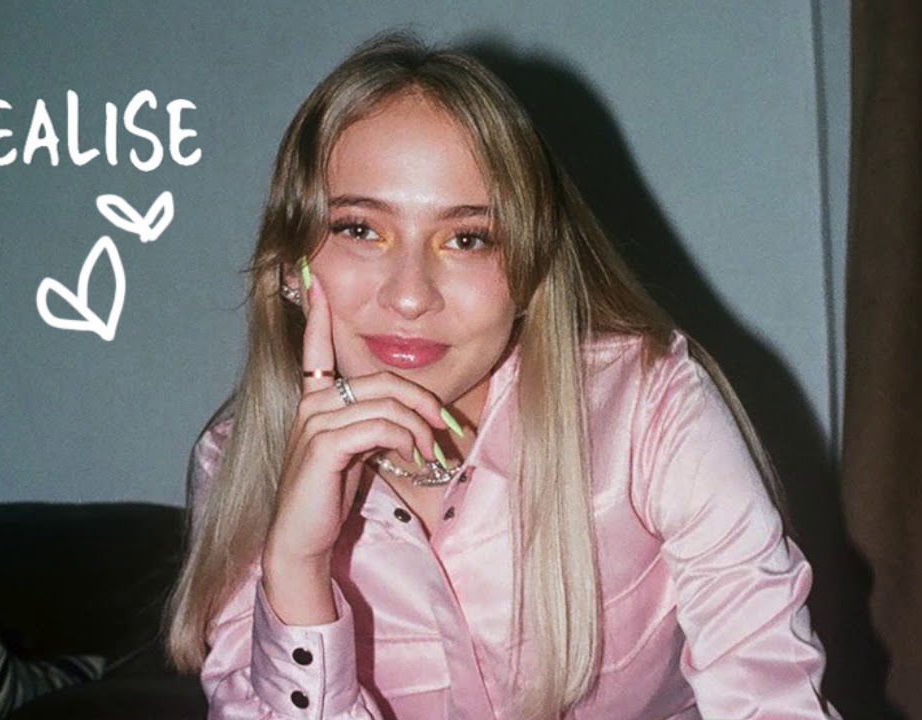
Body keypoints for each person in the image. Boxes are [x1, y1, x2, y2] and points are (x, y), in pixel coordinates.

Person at [166, 32, 840, 720]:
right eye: (360, 229)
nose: (410, 295)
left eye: (467, 239)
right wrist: (297, 570)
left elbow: (770, 694)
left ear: (529, 271)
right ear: (291, 267)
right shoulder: (237, 462)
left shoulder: (646, 406)